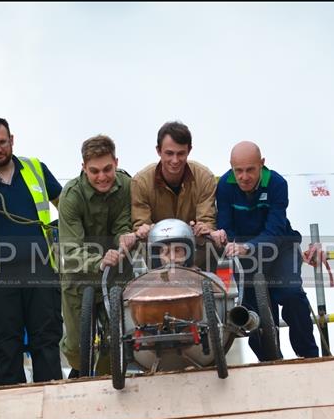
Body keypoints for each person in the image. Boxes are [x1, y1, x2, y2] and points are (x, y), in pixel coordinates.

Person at [0, 117, 64, 385]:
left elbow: (66, 204)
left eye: (2, 142)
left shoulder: (36, 169)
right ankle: (12, 412)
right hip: (0, 276)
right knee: (6, 347)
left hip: (41, 270)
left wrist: (62, 228)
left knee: (47, 342)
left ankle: (52, 404)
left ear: (12, 140)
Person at [216, 141, 320, 360]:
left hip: (280, 248)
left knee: (292, 295)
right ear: (231, 167)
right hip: (243, 254)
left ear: (262, 164)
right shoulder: (224, 185)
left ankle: (309, 356)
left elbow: (275, 230)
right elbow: (225, 226)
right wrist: (235, 246)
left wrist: (249, 247)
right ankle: (270, 362)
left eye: (250, 170)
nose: (244, 177)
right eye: (239, 171)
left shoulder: (277, 183)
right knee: (255, 314)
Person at [58, 134, 136, 377]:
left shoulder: (126, 185)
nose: (102, 177)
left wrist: (126, 238)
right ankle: (81, 377)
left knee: (122, 341)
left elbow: (123, 224)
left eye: (107, 169)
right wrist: (98, 261)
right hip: (80, 277)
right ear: (83, 168)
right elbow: (70, 251)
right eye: (94, 171)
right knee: (77, 349)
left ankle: (112, 381)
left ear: (116, 161)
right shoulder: (71, 196)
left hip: (117, 273)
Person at [131, 121, 225, 270]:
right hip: (159, 265)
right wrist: (148, 231)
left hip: (198, 262)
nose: (175, 160)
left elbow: (208, 223)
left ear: (189, 150)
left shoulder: (205, 178)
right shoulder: (141, 182)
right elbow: (141, 232)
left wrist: (203, 229)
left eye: (181, 153)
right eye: (169, 153)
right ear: (158, 151)